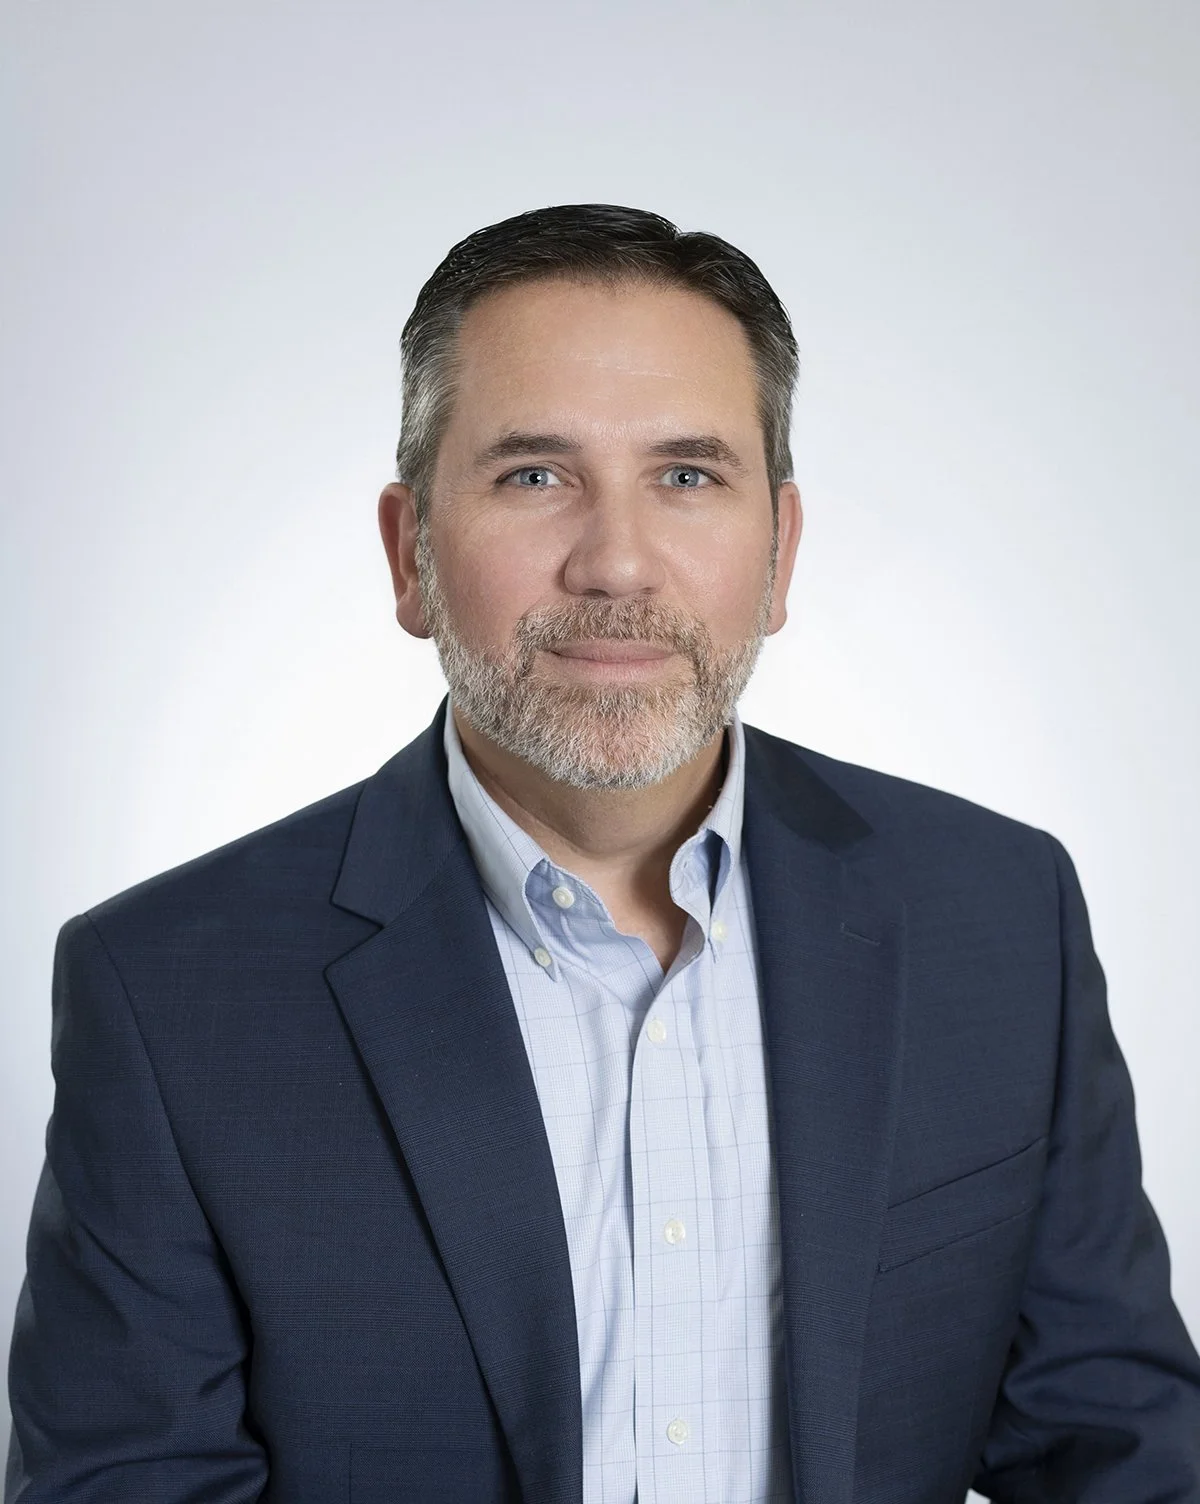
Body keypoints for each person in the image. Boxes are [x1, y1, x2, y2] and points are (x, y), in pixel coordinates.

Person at [6, 203, 1199, 1504]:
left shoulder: (1001, 917)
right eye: (535, 475)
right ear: (409, 554)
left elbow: (1121, 1451)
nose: (617, 563)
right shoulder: (167, 994)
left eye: (687, 475)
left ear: (781, 554)